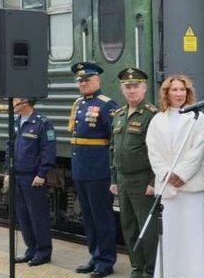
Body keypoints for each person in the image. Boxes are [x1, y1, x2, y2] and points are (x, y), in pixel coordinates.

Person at [146, 74, 204, 278]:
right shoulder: (157, 120)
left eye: (182, 90)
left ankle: (197, 273)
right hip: (167, 188)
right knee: (171, 236)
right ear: (166, 93)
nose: (179, 94)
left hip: (191, 187)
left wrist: (181, 174)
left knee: (193, 234)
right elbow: (153, 150)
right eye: (174, 90)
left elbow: (197, 150)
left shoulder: (198, 117)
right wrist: (166, 174)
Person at [69, 62, 119, 278]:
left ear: (97, 80)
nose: (83, 83)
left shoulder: (107, 105)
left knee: (102, 217)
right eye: (80, 80)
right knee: (88, 218)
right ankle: (95, 255)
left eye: (87, 79)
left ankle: (106, 260)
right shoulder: (78, 104)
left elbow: (114, 141)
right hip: (81, 170)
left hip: (98, 171)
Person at [109, 67, 158, 278]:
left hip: (142, 180)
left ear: (144, 88)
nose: (132, 91)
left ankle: (150, 269)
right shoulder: (118, 115)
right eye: (128, 87)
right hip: (123, 179)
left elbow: (158, 152)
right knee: (128, 227)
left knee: (147, 227)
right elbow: (113, 149)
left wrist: (153, 180)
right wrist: (114, 179)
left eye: (136, 86)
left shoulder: (152, 115)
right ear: (122, 89)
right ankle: (137, 267)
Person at [4, 97, 56, 267]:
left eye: (15, 100)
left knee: (37, 215)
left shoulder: (42, 123)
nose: (11, 103)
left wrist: (42, 174)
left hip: (32, 177)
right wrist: (7, 171)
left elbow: (48, 151)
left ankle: (43, 252)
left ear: (25, 103)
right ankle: (31, 250)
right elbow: (9, 148)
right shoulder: (16, 121)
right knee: (23, 215)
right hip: (17, 175)